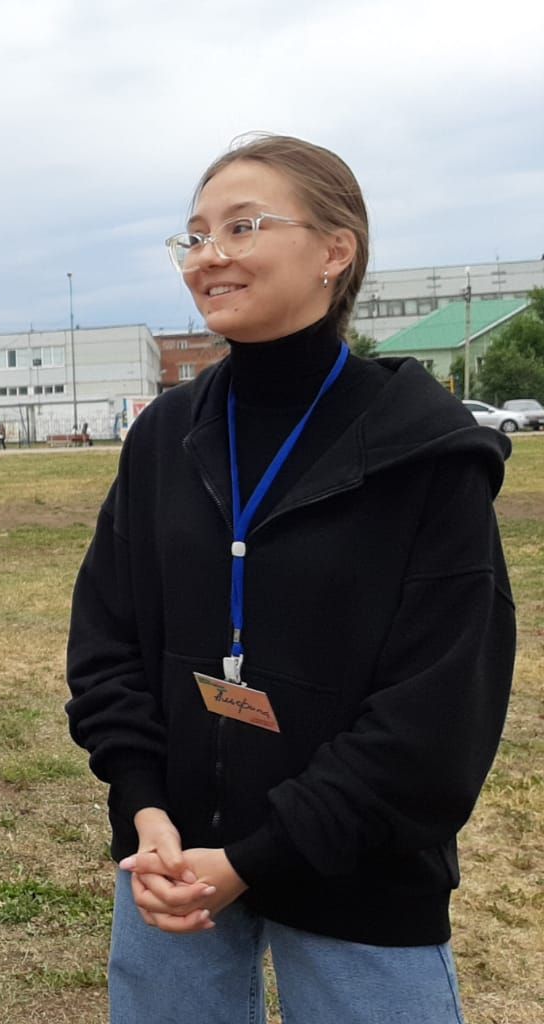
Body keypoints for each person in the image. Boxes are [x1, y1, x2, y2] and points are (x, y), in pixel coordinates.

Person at [66, 135, 514, 1023]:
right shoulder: (164, 437)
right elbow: (108, 638)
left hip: (361, 875)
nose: (210, 255)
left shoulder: (427, 456)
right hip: (172, 860)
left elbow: (438, 714)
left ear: (336, 250)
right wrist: (144, 803)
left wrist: (257, 858)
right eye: (194, 235)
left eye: (244, 225)